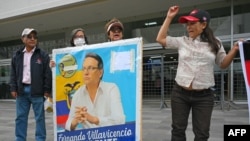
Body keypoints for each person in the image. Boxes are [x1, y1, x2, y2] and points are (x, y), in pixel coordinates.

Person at [156, 6, 239, 141]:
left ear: (204, 24)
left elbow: (223, 64)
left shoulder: (215, 43)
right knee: (177, 130)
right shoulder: (182, 41)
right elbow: (160, 39)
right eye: (187, 24)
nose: (189, 27)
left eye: (193, 23)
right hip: (180, 93)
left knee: (202, 134)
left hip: (204, 97)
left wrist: (234, 49)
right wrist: (169, 17)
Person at [10, 28, 52, 141]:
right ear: (23, 39)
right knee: (20, 118)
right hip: (21, 91)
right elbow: (13, 73)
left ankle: (40, 139)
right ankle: (19, 138)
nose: (33, 39)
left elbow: (47, 74)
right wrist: (13, 88)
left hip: (37, 92)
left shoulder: (42, 55)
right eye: (29, 37)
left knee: (40, 118)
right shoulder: (17, 55)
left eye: (35, 37)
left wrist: (47, 90)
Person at [65, 52, 125, 130]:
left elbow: (120, 120)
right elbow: (68, 124)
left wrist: (95, 120)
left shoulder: (111, 89)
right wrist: (75, 121)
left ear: (100, 73)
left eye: (90, 68)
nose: (86, 73)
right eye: (84, 69)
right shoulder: (78, 94)